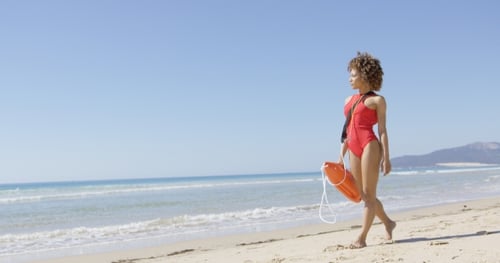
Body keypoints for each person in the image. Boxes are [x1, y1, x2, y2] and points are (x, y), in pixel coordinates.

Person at [339, 52, 396, 248]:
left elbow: (382, 130)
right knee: (364, 195)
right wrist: (341, 156)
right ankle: (388, 222)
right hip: (353, 147)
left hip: (370, 145)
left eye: (353, 75)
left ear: (364, 75)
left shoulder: (377, 101)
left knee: (369, 194)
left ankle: (361, 238)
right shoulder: (348, 100)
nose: (350, 79)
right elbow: (347, 130)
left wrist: (386, 158)